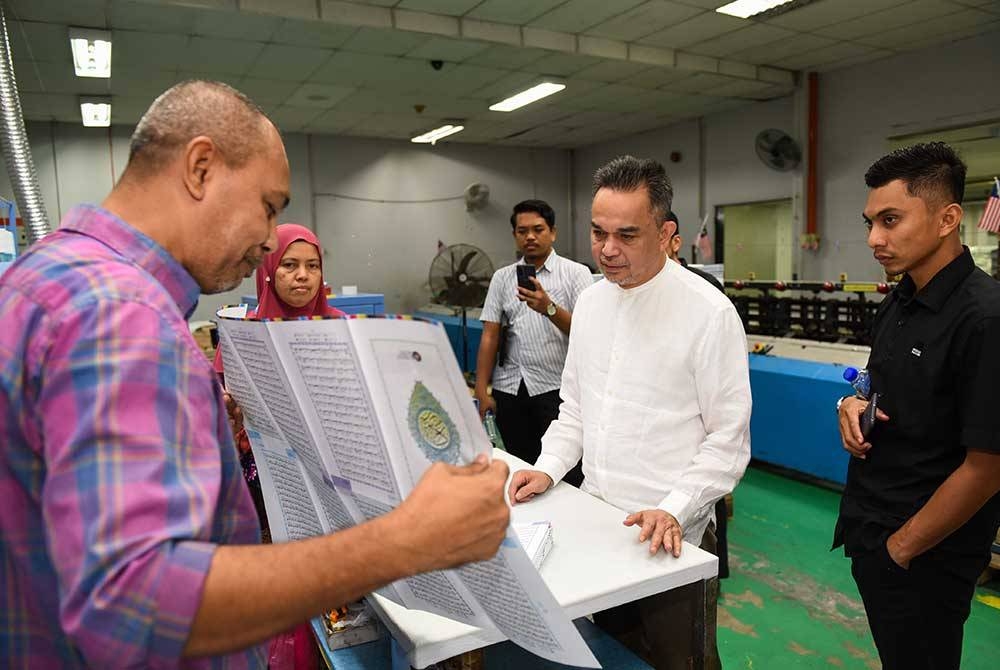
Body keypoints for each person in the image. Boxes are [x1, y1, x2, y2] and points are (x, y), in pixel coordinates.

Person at [0, 80, 510, 669]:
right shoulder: (123, 317)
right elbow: (132, 606)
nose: (269, 238)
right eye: (268, 206)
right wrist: (404, 542)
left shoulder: (49, 276)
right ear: (200, 168)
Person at [508, 156, 752, 670]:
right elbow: (574, 407)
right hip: (598, 523)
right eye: (598, 232)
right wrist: (547, 467)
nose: (607, 249)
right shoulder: (593, 304)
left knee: (681, 660)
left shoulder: (708, 313)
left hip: (672, 535)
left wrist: (676, 507)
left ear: (665, 234)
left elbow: (728, 438)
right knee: (617, 655)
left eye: (627, 235)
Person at [834, 142, 1000, 670]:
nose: (874, 239)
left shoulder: (984, 318)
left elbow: (987, 468)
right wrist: (851, 402)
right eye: (869, 223)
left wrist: (899, 551)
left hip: (926, 553)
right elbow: (878, 385)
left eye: (890, 220)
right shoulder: (900, 299)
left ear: (949, 218)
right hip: (873, 526)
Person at [213, 223, 347, 668]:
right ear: (268, 272)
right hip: (266, 485)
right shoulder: (245, 335)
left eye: (312, 266)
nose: (302, 276)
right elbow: (218, 411)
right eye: (289, 265)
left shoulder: (341, 330)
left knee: (330, 584)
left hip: (333, 480)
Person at [474, 199, 593, 485]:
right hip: (510, 389)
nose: (529, 236)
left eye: (538, 229)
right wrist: (481, 388)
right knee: (519, 465)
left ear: (553, 232)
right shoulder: (502, 278)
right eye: (522, 230)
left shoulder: (576, 274)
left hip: (556, 390)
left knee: (565, 472)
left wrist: (548, 308)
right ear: (514, 234)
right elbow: (490, 333)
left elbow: (588, 333)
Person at [665, 211, 731, 581]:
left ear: (673, 239)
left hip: (702, 411)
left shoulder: (706, 291)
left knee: (707, 501)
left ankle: (712, 568)